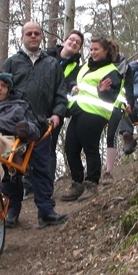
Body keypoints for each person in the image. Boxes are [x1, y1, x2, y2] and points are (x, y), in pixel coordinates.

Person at [1, 21, 69, 228]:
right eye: (29, 33)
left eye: (36, 33)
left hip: (41, 123)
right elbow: (0, 90)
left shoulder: (51, 65)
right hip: (14, 123)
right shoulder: (11, 63)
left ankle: (46, 211)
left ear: (41, 37)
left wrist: (57, 114)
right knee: (10, 166)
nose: (33, 36)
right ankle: (11, 210)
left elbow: (61, 93)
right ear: (22, 37)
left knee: (42, 166)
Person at [60, 35, 122, 202]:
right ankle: (77, 182)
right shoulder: (86, 66)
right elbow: (75, 79)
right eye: (91, 49)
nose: (92, 52)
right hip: (78, 110)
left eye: (96, 49)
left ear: (106, 51)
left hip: (96, 113)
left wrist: (102, 90)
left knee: (90, 148)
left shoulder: (112, 72)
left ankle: (92, 184)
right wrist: (73, 85)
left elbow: (111, 97)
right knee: (70, 148)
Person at [0, 71, 44, 228]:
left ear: (9, 90)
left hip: (5, 138)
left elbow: (35, 127)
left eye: (4, 86)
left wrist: (25, 128)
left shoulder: (18, 106)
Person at [45, 30, 84, 180]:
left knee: (49, 146)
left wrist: (73, 88)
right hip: (36, 105)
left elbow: (72, 83)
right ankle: (28, 186)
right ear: (65, 40)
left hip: (57, 109)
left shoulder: (77, 68)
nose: (73, 43)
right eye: (72, 40)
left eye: (77, 43)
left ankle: (47, 184)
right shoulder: (46, 55)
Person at [101, 41, 132, 185]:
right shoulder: (100, 65)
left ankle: (108, 172)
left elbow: (129, 86)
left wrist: (129, 103)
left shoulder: (125, 67)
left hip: (117, 104)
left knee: (111, 135)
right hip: (99, 104)